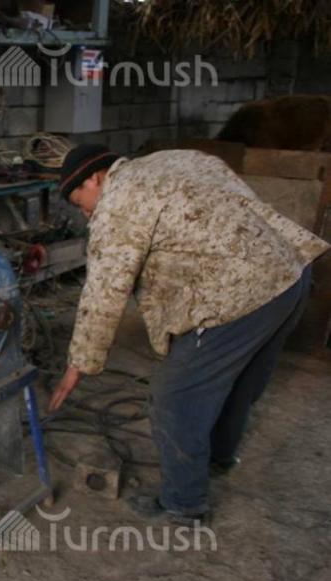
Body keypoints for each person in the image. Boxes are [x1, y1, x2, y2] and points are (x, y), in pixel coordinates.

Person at [48, 144, 330, 525]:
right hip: (290, 274)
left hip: (241, 297)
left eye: (79, 202)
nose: (85, 214)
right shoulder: (172, 159)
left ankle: (184, 504)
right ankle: (219, 457)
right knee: (240, 381)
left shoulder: (117, 202)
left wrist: (78, 365)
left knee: (174, 396)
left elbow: (103, 293)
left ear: (95, 178)